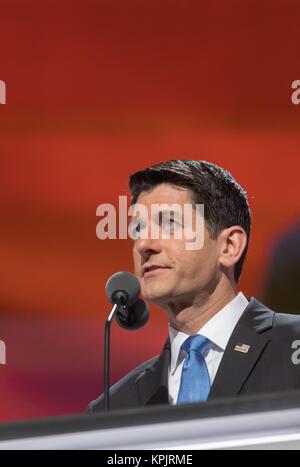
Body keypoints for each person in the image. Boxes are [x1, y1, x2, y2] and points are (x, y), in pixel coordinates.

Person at [88, 159, 300, 413]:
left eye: (169, 224)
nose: (144, 244)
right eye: (139, 228)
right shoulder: (115, 406)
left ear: (229, 247)